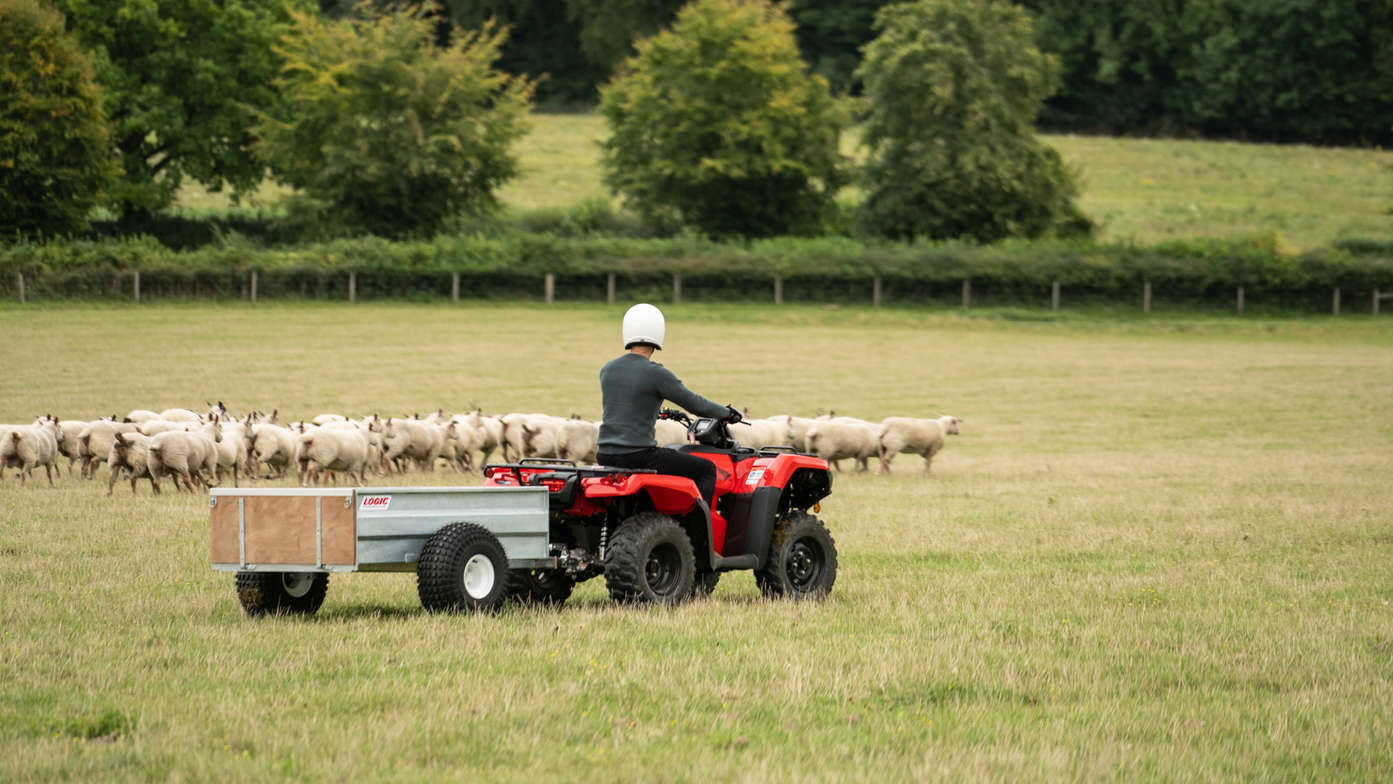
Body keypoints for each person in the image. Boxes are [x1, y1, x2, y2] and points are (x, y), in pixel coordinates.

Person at [597, 303, 740, 510]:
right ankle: (699, 534)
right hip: (638, 455)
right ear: (658, 335)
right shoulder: (656, 373)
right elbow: (695, 403)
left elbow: (629, 403)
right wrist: (727, 413)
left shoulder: (607, 369)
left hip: (605, 453)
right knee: (707, 469)